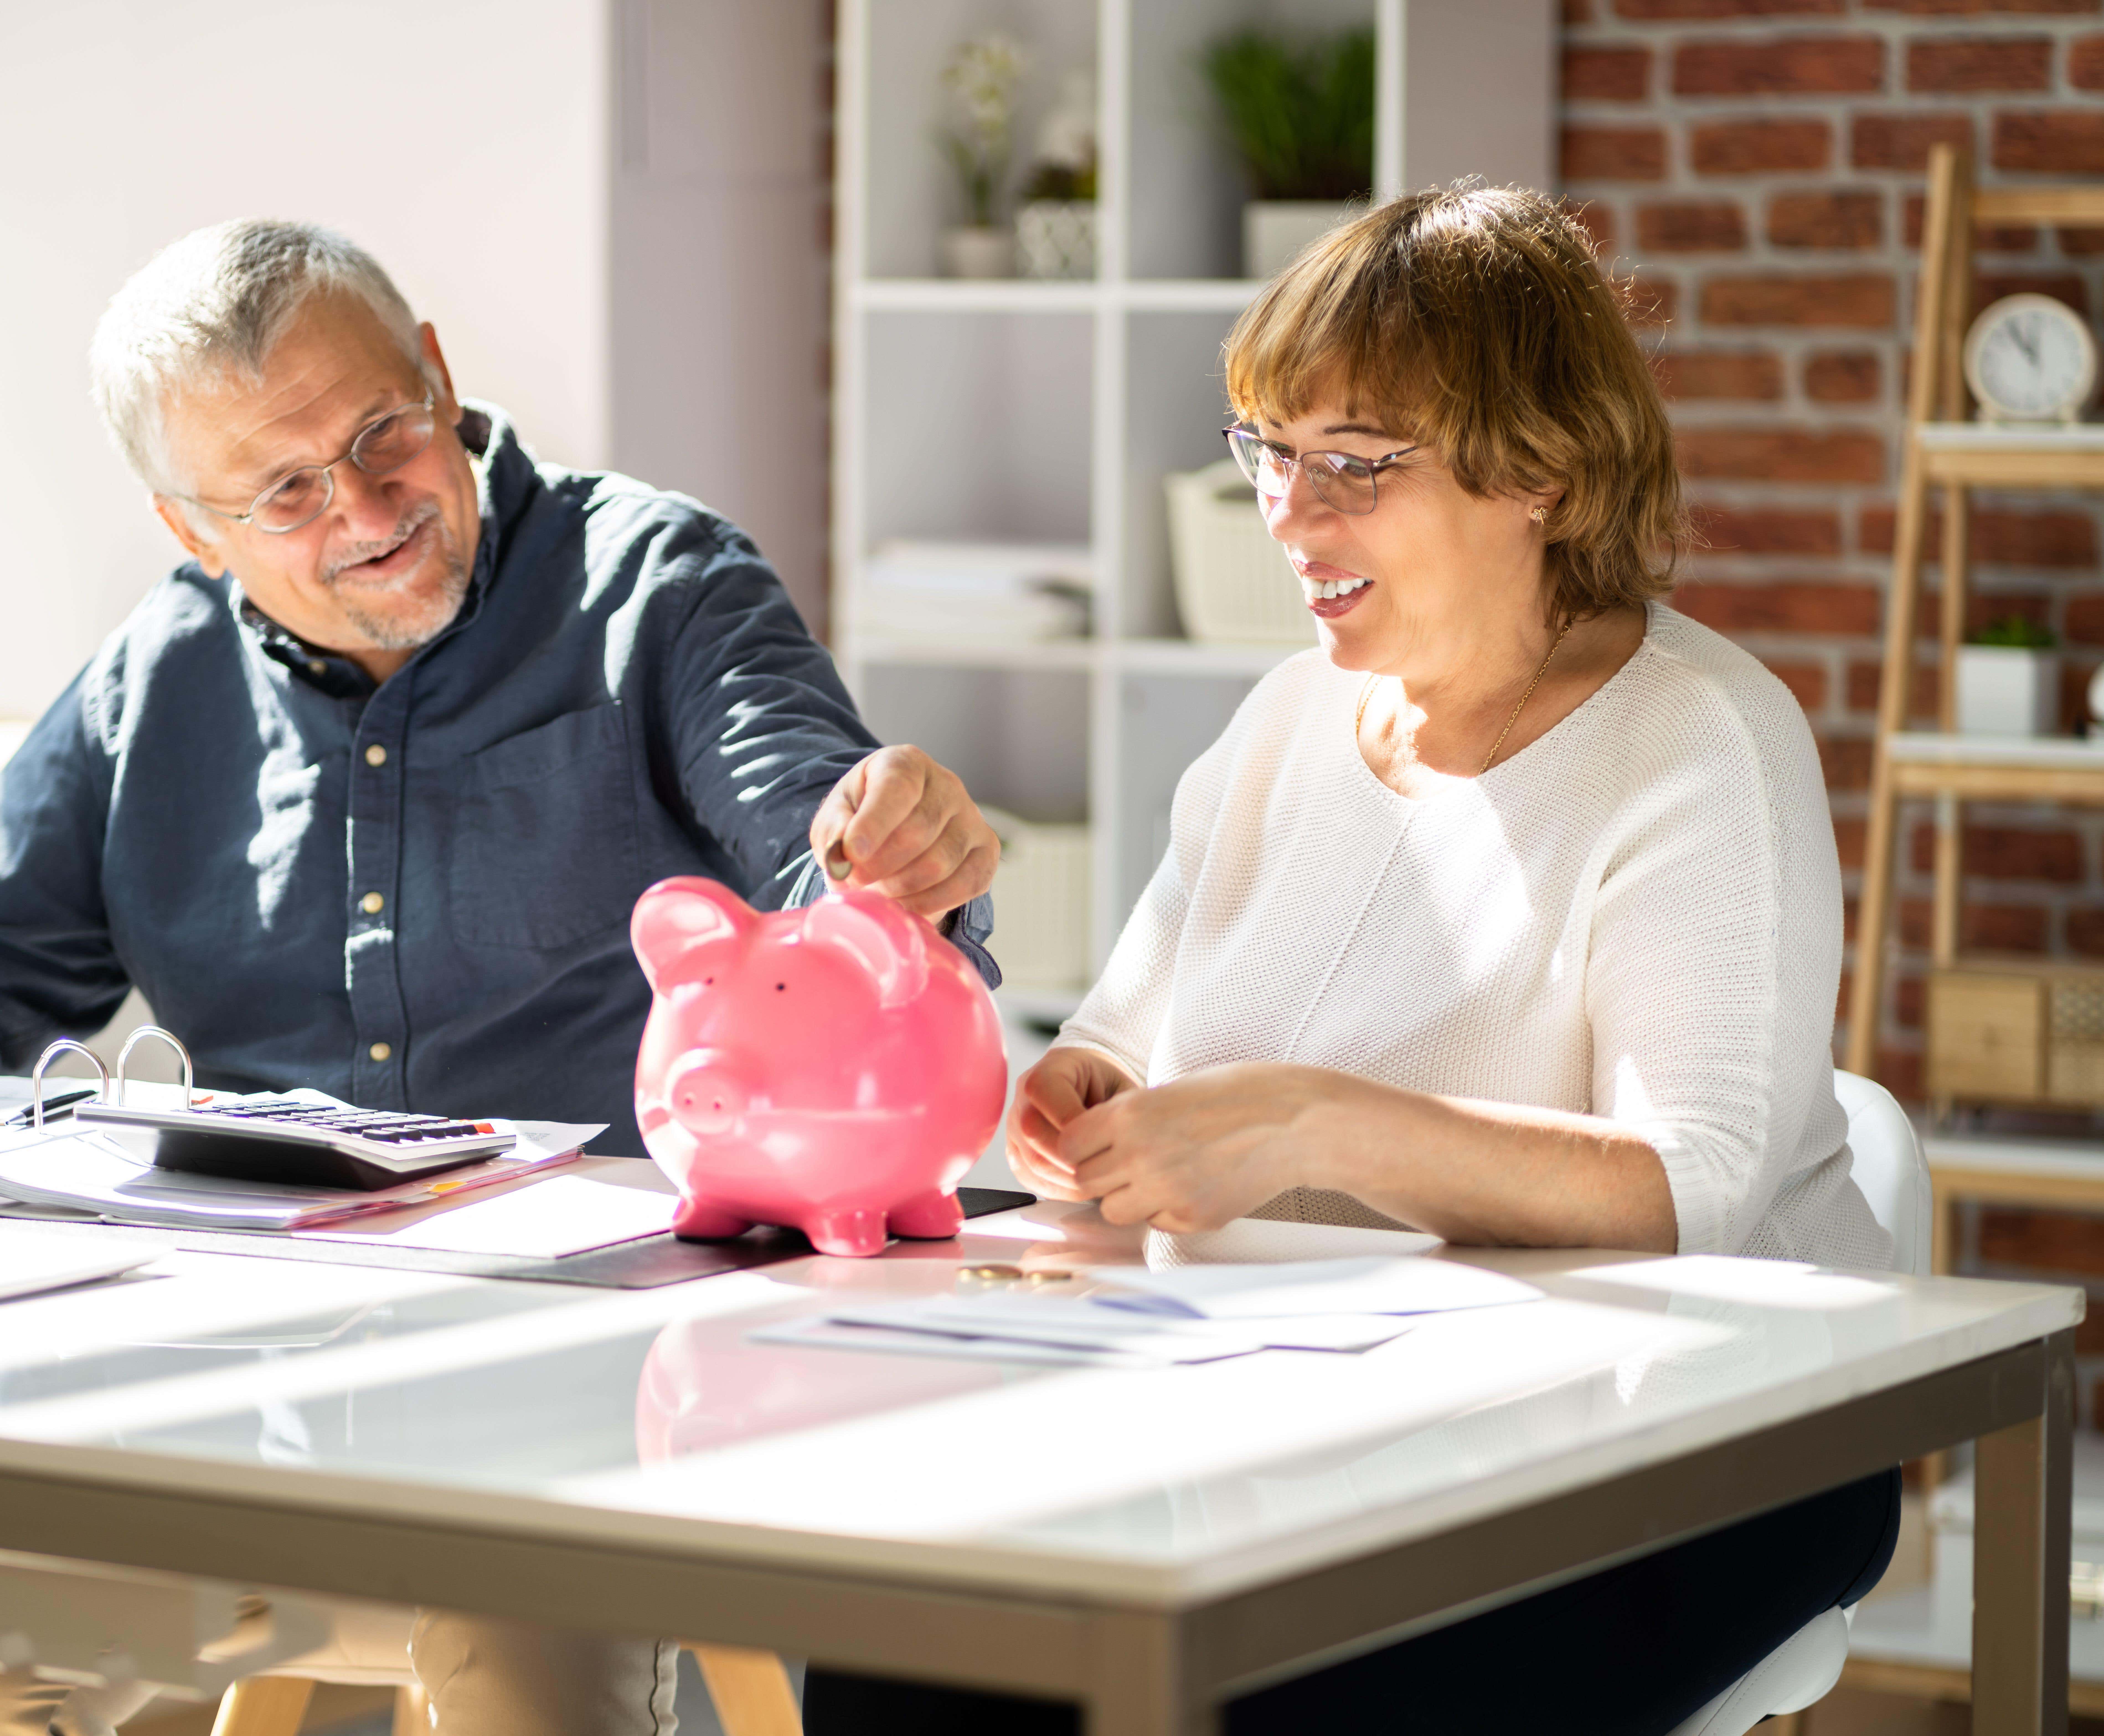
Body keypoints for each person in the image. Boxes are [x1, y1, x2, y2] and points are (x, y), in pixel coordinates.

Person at [0, 218, 1002, 1736]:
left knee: (517, 1616)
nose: (365, 506)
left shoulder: (655, 586)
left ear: (440, 376)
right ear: (189, 529)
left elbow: (827, 853)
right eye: (283, 490)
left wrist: (886, 865)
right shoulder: (158, 680)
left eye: (385, 432)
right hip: (247, 1372)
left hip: (601, 1376)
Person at [805, 186, 1899, 1735]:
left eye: (1357, 466)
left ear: (1543, 470)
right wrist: (1088, 1101)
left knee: (1277, 1699)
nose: (1291, 516)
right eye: (1271, 450)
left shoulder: (1697, 741)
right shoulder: (1284, 727)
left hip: (1703, 1447)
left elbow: (1693, 1187)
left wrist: (1320, 1125)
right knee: (912, 1643)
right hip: (1338, 1417)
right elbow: (1127, 1040)